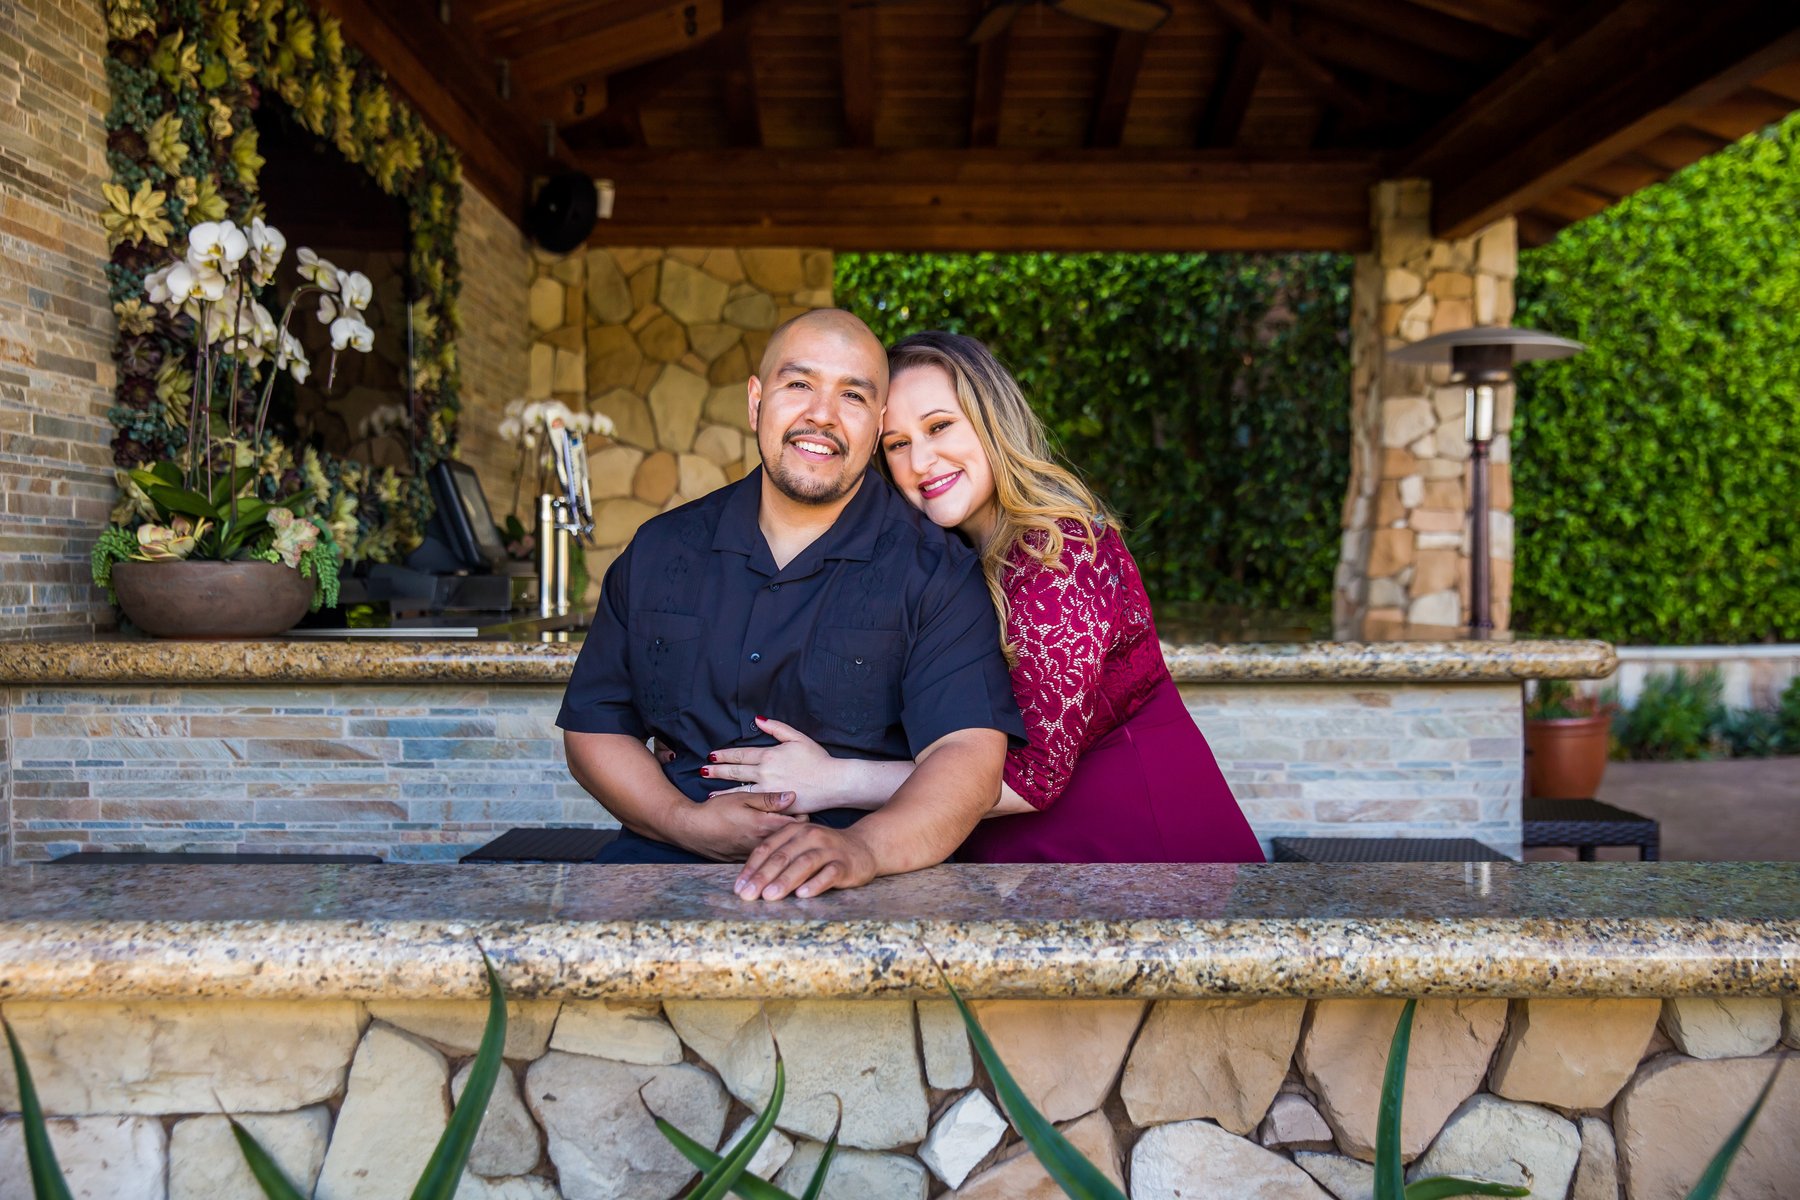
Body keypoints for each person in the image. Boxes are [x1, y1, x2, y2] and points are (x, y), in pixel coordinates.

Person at [717, 331, 1266, 872]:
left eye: (940, 426)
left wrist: (833, 779)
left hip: (1141, 848)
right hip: (1020, 861)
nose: (922, 460)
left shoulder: (1062, 553)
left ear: (992, 422)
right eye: (898, 444)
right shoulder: (933, 558)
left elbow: (1031, 777)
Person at [556, 310, 1025, 898]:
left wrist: (863, 849)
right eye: (799, 383)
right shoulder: (660, 549)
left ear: (878, 422)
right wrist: (685, 823)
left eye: (852, 395)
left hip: (871, 889)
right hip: (663, 868)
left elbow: (967, 757)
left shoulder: (936, 572)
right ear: (756, 402)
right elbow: (595, 729)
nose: (822, 414)